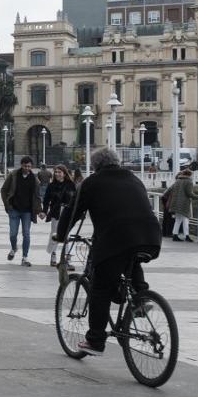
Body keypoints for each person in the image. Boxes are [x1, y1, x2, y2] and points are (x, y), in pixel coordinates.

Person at [64, 147, 162, 356]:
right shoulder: (133, 179)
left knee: (101, 289)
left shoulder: (92, 183)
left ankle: (95, 341)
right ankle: (141, 298)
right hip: (150, 237)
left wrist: (60, 235)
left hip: (116, 239)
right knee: (130, 257)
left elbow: (73, 212)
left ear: (96, 166)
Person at [0, 156, 43, 266]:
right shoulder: (13, 175)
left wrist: (39, 210)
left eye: (29, 166)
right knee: (13, 234)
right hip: (14, 209)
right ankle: (14, 248)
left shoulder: (34, 179)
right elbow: (3, 190)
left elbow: (37, 196)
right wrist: (7, 205)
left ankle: (25, 257)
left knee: (26, 234)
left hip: (27, 211)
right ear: (21, 165)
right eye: (25, 166)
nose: (27, 168)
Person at [43, 164, 77, 267]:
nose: (57, 174)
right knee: (55, 233)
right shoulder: (51, 185)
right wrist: (44, 211)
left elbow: (75, 199)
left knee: (68, 235)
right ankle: (53, 254)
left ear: (64, 173)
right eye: (56, 172)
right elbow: (46, 200)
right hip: (56, 213)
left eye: (59, 172)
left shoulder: (71, 185)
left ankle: (67, 258)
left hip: (68, 213)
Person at [168, 168, 198, 242]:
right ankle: (186, 236)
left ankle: (175, 235)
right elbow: (189, 194)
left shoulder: (178, 180)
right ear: (189, 175)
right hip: (183, 204)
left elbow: (171, 190)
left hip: (175, 203)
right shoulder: (189, 182)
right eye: (192, 175)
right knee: (185, 220)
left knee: (178, 220)